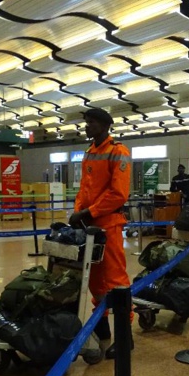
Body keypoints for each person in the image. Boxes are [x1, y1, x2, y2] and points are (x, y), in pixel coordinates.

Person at [69, 107, 133, 359]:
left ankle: (125, 338)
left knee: (116, 280)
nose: (87, 126)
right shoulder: (89, 152)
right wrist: (78, 212)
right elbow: (84, 190)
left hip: (109, 224)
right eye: (86, 122)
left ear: (106, 125)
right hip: (89, 226)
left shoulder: (118, 152)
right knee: (94, 278)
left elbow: (118, 194)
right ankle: (103, 327)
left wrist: (87, 213)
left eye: (92, 122)